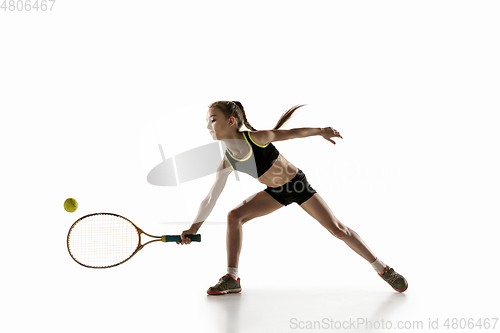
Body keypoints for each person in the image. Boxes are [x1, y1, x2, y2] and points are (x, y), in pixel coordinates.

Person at [177, 101, 408, 294]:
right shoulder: (229, 159)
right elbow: (210, 198)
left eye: (213, 119)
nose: (209, 125)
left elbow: (291, 133)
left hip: (298, 185)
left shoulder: (255, 138)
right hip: (275, 194)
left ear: (231, 121)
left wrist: (321, 131)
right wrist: (193, 228)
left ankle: (383, 268)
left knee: (338, 229)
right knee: (234, 216)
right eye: (207, 121)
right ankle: (232, 279)